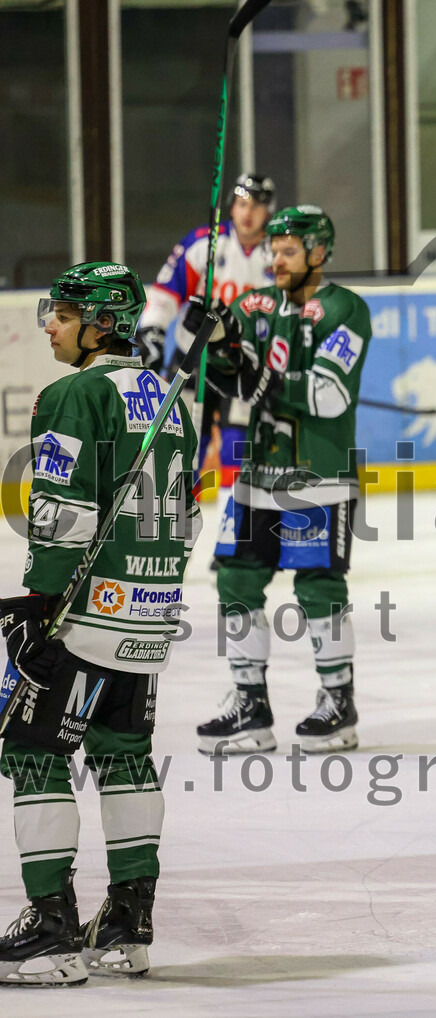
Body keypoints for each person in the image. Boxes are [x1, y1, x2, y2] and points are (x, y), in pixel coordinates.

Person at [0, 262, 200, 984]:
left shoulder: (73, 394)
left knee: (33, 752)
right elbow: (190, 517)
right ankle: (126, 922)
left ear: (100, 323)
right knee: (124, 755)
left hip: (83, 616)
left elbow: (61, 514)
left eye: (61, 312)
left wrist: (40, 608)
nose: (48, 322)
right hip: (149, 612)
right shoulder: (175, 401)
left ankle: (51, 931)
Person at [191, 205, 371, 756]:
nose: (277, 259)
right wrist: (217, 345)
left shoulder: (346, 310)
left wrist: (263, 378)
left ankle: (338, 704)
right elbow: (229, 379)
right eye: (274, 250)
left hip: (319, 475)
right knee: (235, 581)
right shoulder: (253, 304)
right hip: (256, 475)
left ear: (319, 252)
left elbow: (328, 394)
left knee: (318, 586)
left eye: (290, 250)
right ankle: (251, 705)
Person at [136, 173, 275, 475]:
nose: (247, 213)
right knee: (183, 441)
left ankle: (232, 518)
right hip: (192, 354)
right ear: (231, 207)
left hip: (242, 360)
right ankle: (180, 513)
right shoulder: (206, 243)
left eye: (255, 206)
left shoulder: (277, 253)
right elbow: (166, 292)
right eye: (241, 204)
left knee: (237, 443)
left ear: (268, 211)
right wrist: (152, 331)